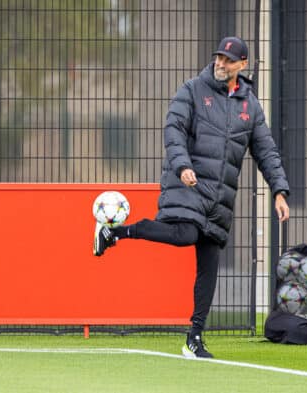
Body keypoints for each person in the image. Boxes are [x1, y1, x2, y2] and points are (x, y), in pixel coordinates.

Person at [93, 36, 290, 358]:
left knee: (208, 266)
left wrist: (279, 190)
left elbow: (266, 150)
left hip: (219, 198)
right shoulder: (192, 90)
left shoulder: (250, 105)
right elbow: (173, 130)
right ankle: (116, 231)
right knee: (184, 235)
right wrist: (182, 165)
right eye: (218, 58)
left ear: (242, 65)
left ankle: (194, 338)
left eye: (228, 60)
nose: (220, 63)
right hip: (187, 182)